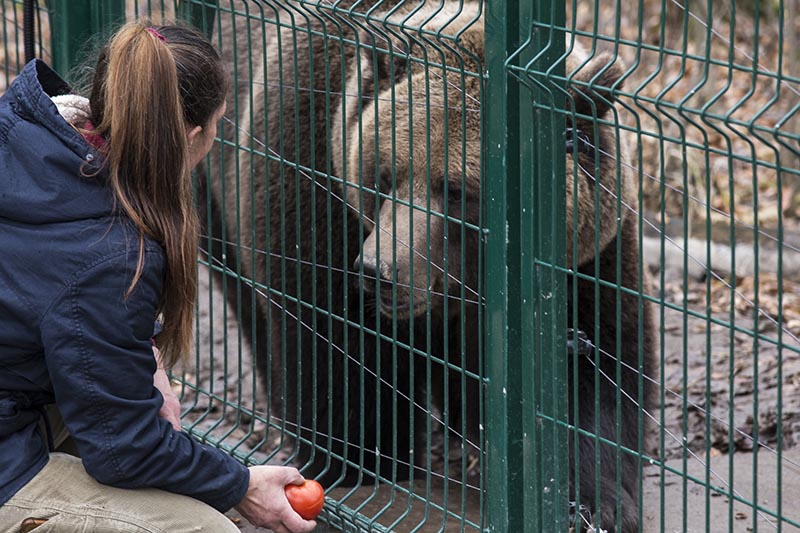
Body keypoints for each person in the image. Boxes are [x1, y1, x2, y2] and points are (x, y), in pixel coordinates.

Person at [0, 21, 316, 533]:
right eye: (218, 125)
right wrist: (240, 485)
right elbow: (124, 450)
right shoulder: (112, 255)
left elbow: (51, 287)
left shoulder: (23, 130)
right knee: (203, 528)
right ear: (193, 136)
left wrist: (142, 357)